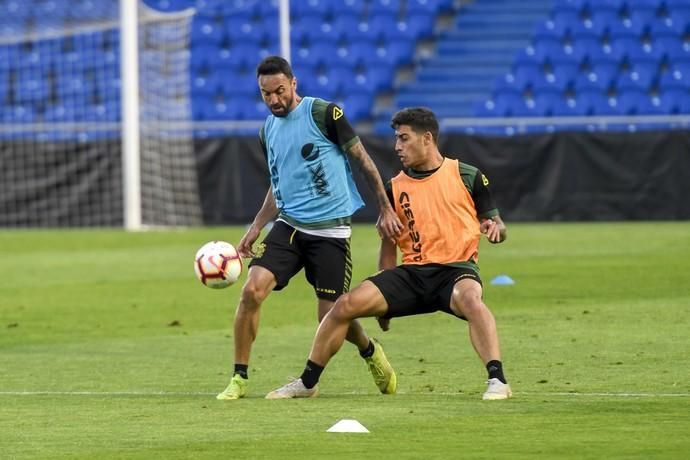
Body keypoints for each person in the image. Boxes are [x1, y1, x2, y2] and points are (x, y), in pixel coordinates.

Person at [266, 107, 512, 401]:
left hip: (456, 271)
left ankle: (498, 380)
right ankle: (307, 383)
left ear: (427, 139)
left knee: (472, 300)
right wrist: (384, 300)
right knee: (342, 306)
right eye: (396, 139)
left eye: (404, 138)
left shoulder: (466, 175)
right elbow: (389, 246)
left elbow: (496, 223)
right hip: (412, 275)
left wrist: (495, 229)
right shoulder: (394, 188)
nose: (397, 146)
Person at [217, 56, 403, 400]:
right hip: (290, 226)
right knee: (251, 291)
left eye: (280, 91)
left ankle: (368, 350)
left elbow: (362, 158)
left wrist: (385, 207)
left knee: (331, 317)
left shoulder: (323, 114)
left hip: (330, 232)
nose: (274, 99)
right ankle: (239, 378)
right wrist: (257, 226)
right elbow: (279, 185)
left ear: (294, 84)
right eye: (266, 94)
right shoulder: (266, 131)